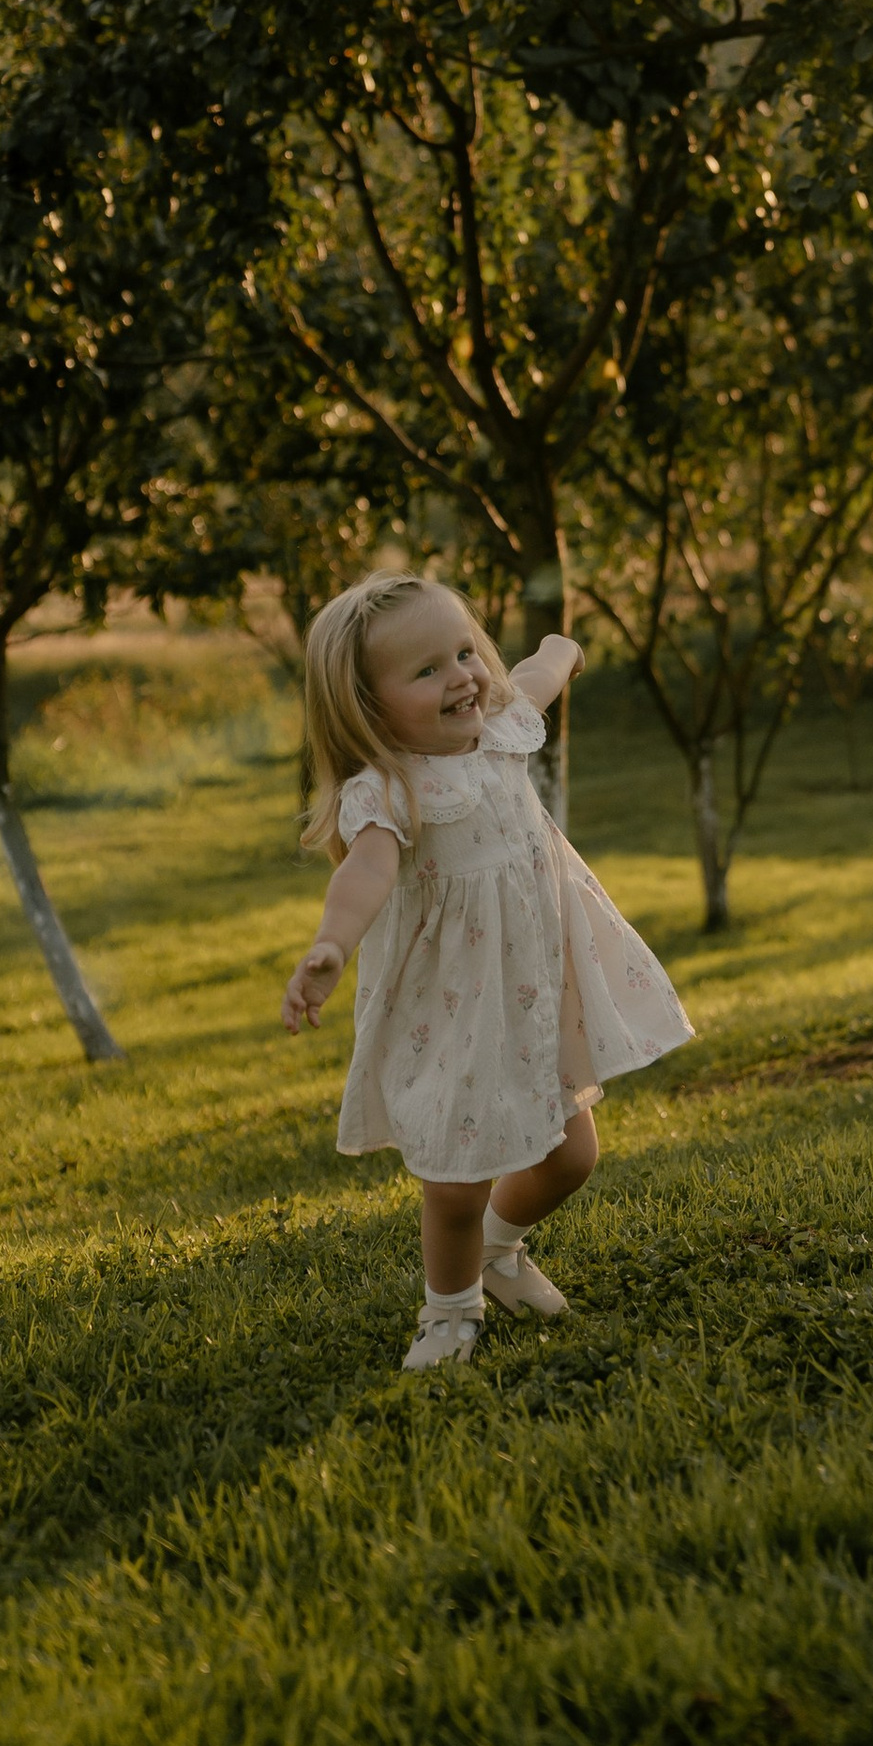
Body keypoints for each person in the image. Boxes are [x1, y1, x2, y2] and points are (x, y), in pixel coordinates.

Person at [281, 575, 693, 1368]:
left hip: (536, 988)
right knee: (458, 1179)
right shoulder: (391, 790)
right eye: (428, 670)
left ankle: (502, 1252)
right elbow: (362, 876)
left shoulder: (502, 728)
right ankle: (449, 1313)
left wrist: (559, 650)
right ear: (368, 707)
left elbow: (534, 679)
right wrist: (331, 946)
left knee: (571, 1157)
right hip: (458, 1004)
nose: (464, 676)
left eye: (465, 651)